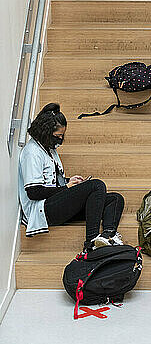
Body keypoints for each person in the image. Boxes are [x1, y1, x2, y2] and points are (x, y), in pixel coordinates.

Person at [18, 102, 125, 250]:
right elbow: (34, 192)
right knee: (97, 185)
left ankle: (107, 236)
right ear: (45, 132)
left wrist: (70, 182)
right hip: (43, 210)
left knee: (115, 199)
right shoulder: (32, 152)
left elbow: (52, 182)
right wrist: (66, 188)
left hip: (56, 203)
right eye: (58, 136)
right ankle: (91, 242)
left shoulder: (48, 148)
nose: (61, 140)